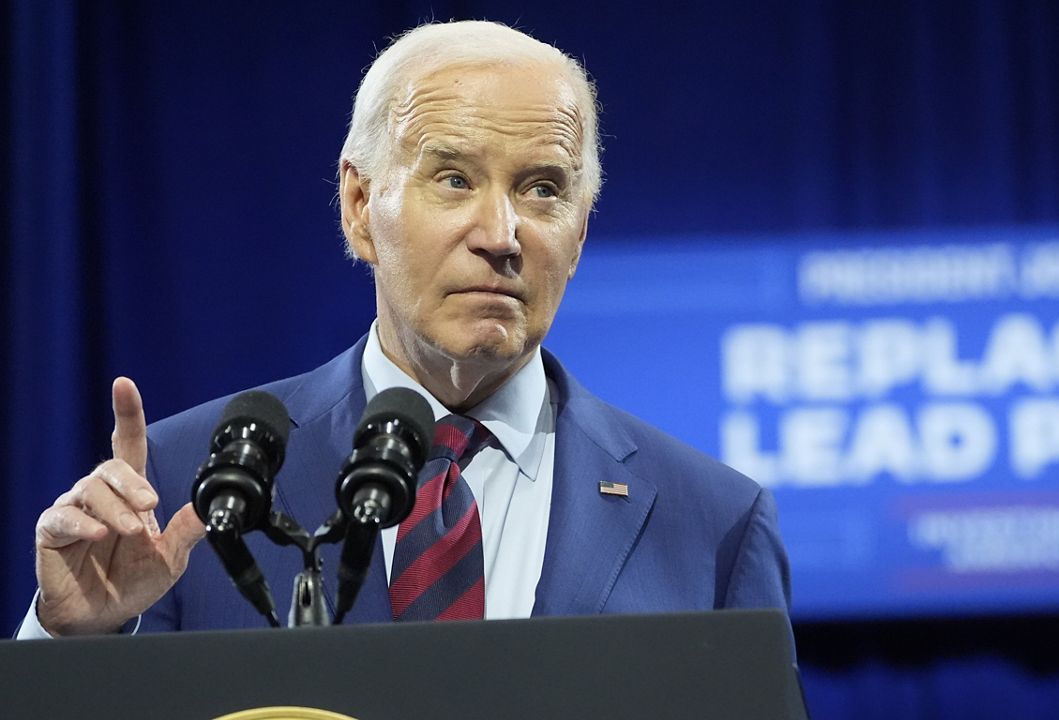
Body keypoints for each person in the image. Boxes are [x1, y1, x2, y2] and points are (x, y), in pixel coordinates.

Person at [19, 20, 789, 637]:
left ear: (581, 231)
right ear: (360, 206)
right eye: (454, 178)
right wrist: (70, 644)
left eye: (542, 188)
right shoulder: (190, 482)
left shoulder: (715, 523)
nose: (501, 232)